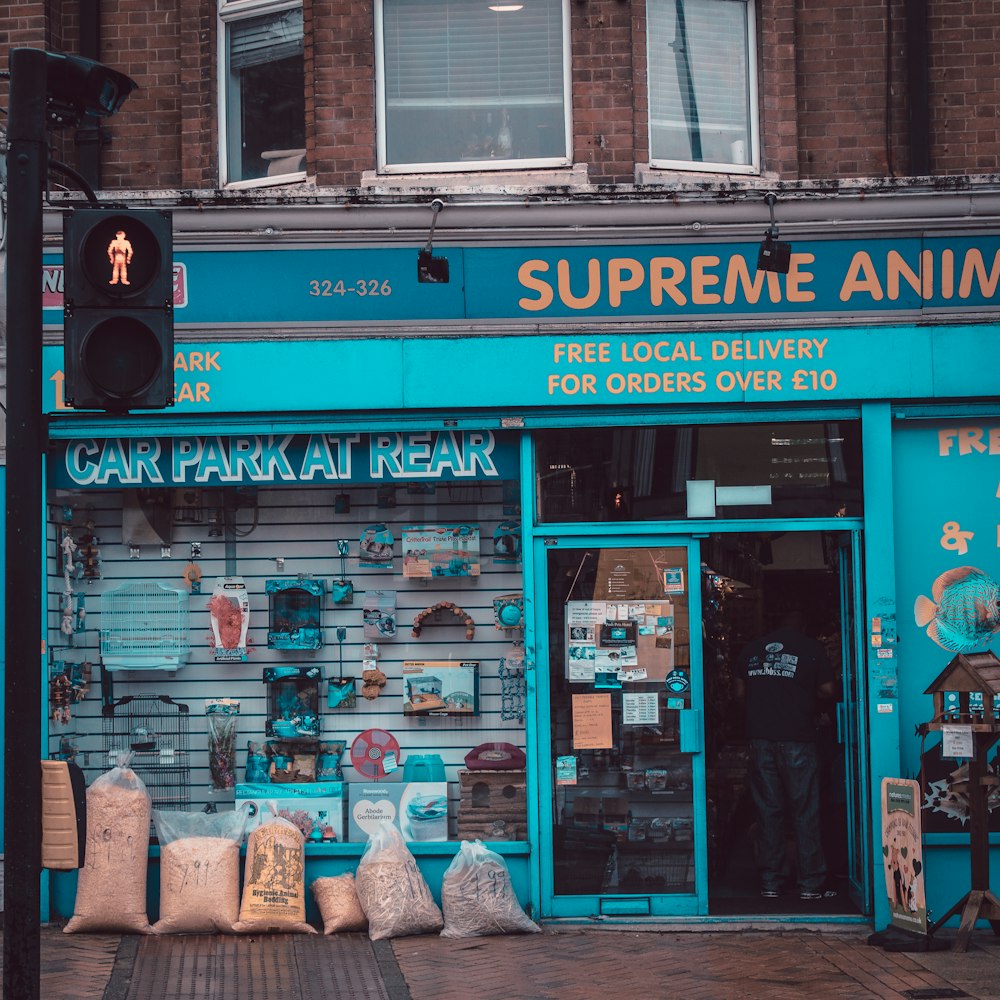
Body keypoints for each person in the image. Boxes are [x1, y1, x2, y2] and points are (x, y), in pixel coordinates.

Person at [733, 609, 838, 901]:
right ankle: (811, 884)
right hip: (798, 739)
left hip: (761, 739)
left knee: (768, 811)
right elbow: (828, 690)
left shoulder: (752, 650)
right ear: (802, 625)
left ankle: (771, 881)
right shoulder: (811, 649)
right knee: (805, 810)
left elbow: (739, 693)